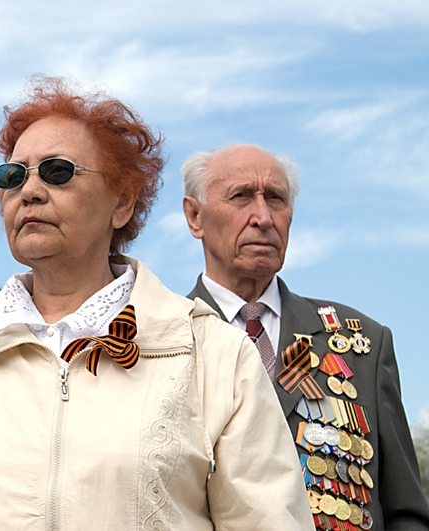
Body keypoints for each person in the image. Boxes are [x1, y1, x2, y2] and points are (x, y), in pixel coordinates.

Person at [0, 78, 314, 530]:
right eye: (12, 176)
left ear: (123, 203)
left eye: (57, 171)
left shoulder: (214, 356)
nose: (29, 191)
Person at [182, 144, 429, 530]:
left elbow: (405, 511)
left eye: (275, 199)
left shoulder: (363, 344)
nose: (263, 218)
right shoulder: (161, 342)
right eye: (241, 196)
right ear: (194, 217)